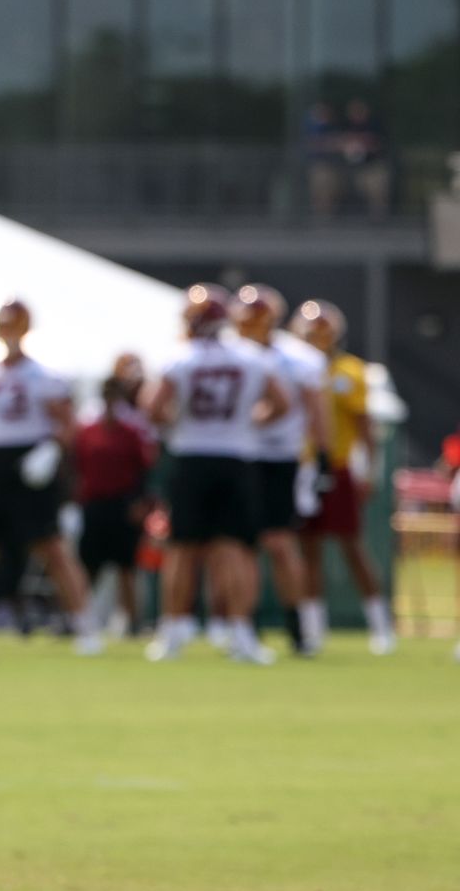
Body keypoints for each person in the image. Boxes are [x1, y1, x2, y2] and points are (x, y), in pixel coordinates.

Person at [144, 285, 289, 664]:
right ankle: (241, 633)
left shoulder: (180, 358)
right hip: (236, 458)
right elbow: (281, 403)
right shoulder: (252, 358)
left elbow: (153, 408)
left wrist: (177, 424)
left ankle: (173, 631)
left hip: (192, 457)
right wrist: (249, 422)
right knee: (234, 550)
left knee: (182, 549)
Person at [0, 300, 101, 654]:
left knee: (50, 546)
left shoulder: (43, 377)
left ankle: (84, 623)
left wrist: (50, 450)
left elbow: (66, 423)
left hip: (29, 462)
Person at [293, 299, 396, 654]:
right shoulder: (292, 366)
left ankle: (382, 626)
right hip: (301, 468)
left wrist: (368, 468)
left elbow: (364, 425)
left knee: (353, 546)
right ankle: (312, 630)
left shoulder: (349, 371)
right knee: (308, 552)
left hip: (336, 466)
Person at [234, 284, 332, 655]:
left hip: (279, 458)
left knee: (278, 543)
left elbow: (315, 410)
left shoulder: (299, 358)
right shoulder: (232, 353)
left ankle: (297, 627)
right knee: (242, 546)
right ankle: (246, 626)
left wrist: (323, 456)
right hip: (239, 457)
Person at [72, 374, 156, 639]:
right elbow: (77, 466)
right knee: (88, 567)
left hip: (123, 505)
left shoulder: (132, 430)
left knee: (127, 567)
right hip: (94, 504)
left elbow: (144, 469)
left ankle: (133, 622)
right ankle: (81, 620)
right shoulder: (88, 430)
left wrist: (140, 504)